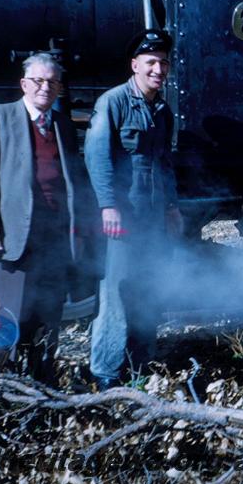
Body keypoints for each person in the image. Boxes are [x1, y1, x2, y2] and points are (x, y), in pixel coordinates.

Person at [0, 53, 90, 383]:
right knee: (9, 318)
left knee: (48, 317)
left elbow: (72, 179)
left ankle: (42, 387)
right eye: (38, 81)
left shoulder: (62, 124)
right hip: (13, 239)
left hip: (55, 238)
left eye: (52, 82)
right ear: (24, 84)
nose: (45, 88)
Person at [84, 28, 183, 391]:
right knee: (116, 290)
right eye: (152, 62)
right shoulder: (112, 102)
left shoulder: (162, 110)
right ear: (135, 64)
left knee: (147, 287)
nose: (159, 69)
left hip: (153, 216)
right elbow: (97, 157)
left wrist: (172, 207)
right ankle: (105, 373)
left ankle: (138, 363)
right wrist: (108, 205)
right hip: (124, 217)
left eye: (164, 63)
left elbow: (164, 162)